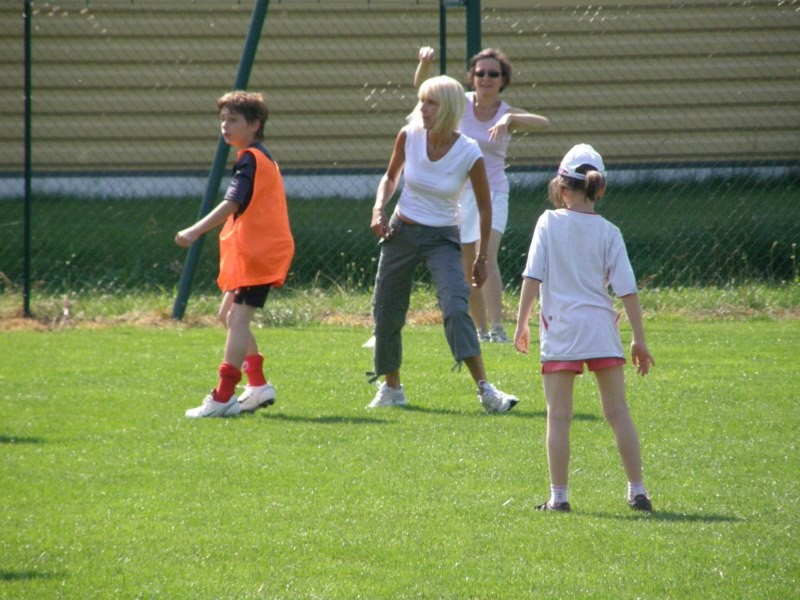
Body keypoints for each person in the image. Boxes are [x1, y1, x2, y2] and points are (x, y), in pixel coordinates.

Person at [514, 144, 655, 512]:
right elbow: (627, 290)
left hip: (561, 332)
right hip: (601, 331)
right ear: (599, 188)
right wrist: (639, 339)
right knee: (618, 412)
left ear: (562, 188)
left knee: (559, 416)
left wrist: (521, 323)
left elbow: (532, 276)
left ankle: (559, 498)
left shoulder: (548, 222)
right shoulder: (610, 232)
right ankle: (638, 491)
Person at [368, 75, 519, 413]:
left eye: (431, 103)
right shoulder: (408, 136)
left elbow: (485, 207)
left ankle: (486, 390)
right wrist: (379, 208)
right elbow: (390, 177)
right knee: (387, 311)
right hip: (401, 232)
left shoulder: (469, 151)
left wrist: (481, 257)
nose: (422, 108)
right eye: (422, 101)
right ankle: (392, 388)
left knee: (454, 307)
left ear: (449, 108)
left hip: (443, 238)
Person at [415, 46, 550, 343]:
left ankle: (498, 328)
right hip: (460, 192)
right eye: (480, 73)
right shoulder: (460, 103)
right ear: (472, 78)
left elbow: (544, 123)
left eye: (493, 74)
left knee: (485, 256)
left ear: (503, 79)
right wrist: (424, 64)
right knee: (467, 264)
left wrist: (509, 120)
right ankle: (481, 330)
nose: (486, 79)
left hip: (493, 191)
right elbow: (423, 89)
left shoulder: (506, 111)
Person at [175, 91, 294, 419]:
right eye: (222, 120)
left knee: (238, 319)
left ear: (255, 125)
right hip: (257, 252)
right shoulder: (258, 156)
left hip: (260, 254)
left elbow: (232, 203)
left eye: (233, 120)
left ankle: (223, 397)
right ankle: (258, 385)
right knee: (227, 316)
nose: (225, 126)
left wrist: (195, 230)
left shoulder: (250, 159)